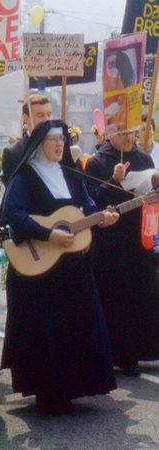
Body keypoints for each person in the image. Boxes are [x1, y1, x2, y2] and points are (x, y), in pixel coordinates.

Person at [0, 120, 119, 414]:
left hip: (73, 268)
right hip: (41, 270)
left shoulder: (71, 174)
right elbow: (10, 213)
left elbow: (87, 207)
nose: (58, 145)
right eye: (52, 140)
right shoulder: (25, 177)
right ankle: (50, 391)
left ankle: (77, 385)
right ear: (39, 144)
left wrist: (101, 217)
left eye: (62, 140)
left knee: (76, 324)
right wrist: (48, 233)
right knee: (48, 331)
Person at [85, 130, 159, 376]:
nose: (129, 138)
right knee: (119, 294)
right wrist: (114, 180)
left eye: (133, 133)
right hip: (111, 240)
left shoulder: (145, 159)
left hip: (140, 234)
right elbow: (92, 200)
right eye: (124, 133)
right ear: (111, 134)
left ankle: (145, 348)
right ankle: (122, 355)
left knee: (144, 287)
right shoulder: (96, 161)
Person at [1, 93, 52, 186]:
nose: (46, 120)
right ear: (25, 118)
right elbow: (12, 191)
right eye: (40, 115)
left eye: (49, 115)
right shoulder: (13, 153)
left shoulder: (59, 147)